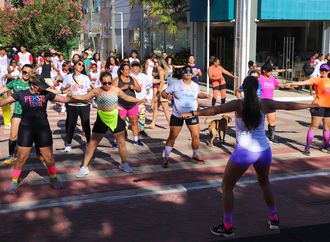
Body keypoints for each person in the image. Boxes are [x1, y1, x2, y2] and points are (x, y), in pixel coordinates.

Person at [181, 76, 318, 238]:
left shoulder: (239, 104)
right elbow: (287, 105)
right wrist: (311, 105)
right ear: (257, 88)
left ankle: (227, 227)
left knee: (227, 186)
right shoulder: (264, 103)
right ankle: (274, 219)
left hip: (245, 152)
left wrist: (193, 113)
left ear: (243, 88)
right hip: (264, 151)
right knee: (264, 183)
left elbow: (215, 110)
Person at [0, 72, 78, 194]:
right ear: (32, 85)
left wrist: (84, 99)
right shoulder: (20, 94)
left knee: (49, 157)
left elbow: (65, 99)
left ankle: (53, 178)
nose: (41, 89)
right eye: (38, 86)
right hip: (26, 129)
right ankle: (14, 181)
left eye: (42, 87)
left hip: (43, 129)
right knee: (21, 158)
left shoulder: (46, 94)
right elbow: (2, 103)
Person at [72, 72, 145, 177]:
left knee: (121, 142)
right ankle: (84, 167)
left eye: (109, 83)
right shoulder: (96, 91)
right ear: (101, 82)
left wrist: (139, 100)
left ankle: (124, 163)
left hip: (115, 117)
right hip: (102, 118)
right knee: (92, 144)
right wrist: (72, 95)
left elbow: (127, 98)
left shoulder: (116, 90)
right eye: (104, 83)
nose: (107, 85)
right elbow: (84, 97)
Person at [161, 65, 210, 168]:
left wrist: (204, 95)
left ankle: (195, 154)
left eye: (189, 72)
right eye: (185, 72)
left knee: (196, 136)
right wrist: (170, 98)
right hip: (177, 115)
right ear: (182, 74)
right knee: (173, 137)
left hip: (192, 115)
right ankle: (166, 156)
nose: (188, 74)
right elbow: (163, 93)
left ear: (192, 74)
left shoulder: (195, 85)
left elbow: (198, 94)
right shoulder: (176, 85)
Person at [0, 64, 44, 164]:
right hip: (18, 112)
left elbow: (46, 92)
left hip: (32, 113)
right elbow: (2, 90)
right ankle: (10, 155)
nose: (26, 74)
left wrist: (61, 91)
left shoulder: (33, 83)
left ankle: (38, 153)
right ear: (21, 71)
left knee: (35, 135)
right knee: (13, 136)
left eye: (29, 73)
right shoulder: (15, 83)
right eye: (24, 72)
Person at [285, 64, 330, 155]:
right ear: (320, 71)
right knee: (314, 127)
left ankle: (326, 146)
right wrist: (292, 83)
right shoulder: (317, 79)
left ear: (329, 71)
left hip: (328, 107)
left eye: (326, 70)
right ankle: (307, 148)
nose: (324, 72)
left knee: (327, 128)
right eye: (322, 70)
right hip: (318, 105)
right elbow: (304, 82)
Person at [61, 60, 91, 152]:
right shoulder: (68, 77)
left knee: (85, 124)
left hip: (84, 104)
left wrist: (92, 89)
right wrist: (65, 87)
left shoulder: (86, 78)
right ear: (74, 66)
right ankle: (68, 143)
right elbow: (62, 88)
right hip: (72, 104)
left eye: (83, 65)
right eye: (79, 64)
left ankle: (89, 143)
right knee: (71, 124)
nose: (81, 66)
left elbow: (89, 89)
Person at [112, 64, 143, 147]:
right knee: (120, 123)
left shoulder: (132, 78)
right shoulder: (117, 79)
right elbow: (112, 91)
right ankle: (116, 141)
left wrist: (135, 88)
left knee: (134, 122)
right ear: (121, 71)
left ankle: (136, 140)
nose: (128, 71)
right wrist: (122, 88)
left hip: (132, 104)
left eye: (129, 70)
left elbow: (139, 89)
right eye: (126, 70)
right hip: (121, 104)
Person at [259, 64, 285, 143]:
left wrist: (289, 85)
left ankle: (272, 137)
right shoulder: (259, 78)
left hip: (270, 103)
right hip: (261, 103)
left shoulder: (272, 79)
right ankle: (259, 136)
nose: (271, 72)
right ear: (264, 71)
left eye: (271, 71)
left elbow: (280, 84)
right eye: (269, 71)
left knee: (272, 121)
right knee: (259, 122)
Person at [146, 58, 171, 129]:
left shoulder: (160, 69)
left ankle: (170, 125)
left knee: (165, 108)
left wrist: (158, 93)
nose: (155, 64)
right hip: (159, 89)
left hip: (162, 89)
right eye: (154, 62)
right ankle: (153, 124)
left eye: (156, 62)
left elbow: (162, 82)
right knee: (155, 107)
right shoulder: (158, 69)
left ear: (159, 63)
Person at [130, 61, 152, 135]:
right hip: (131, 101)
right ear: (131, 68)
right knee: (128, 117)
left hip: (141, 101)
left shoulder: (143, 76)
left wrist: (161, 81)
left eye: (137, 66)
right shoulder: (129, 76)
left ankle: (141, 130)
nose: (136, 68)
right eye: (134, 66)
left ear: (140, 68)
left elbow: (151, 81)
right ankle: (125, 130)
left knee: (142, 116)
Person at [0, 48, 11, 129]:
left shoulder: (6, 56)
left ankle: (7, 122)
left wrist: (8, 72)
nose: (4, 51)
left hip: (3, 83)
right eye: (2, 50)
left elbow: (7, 67)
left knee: (5, 104)